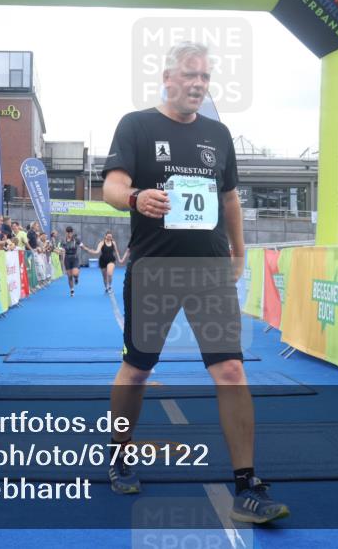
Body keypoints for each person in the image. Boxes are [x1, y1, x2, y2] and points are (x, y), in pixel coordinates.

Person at [100, 41, 287, 523]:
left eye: (205, 77)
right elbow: (111, 187)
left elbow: (228, 201)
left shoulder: (218, 135)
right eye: (190, 75)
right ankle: (120, 454)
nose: (199, 85)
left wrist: (239, 252)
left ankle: (247, 483)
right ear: (168, 76)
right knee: (138, 370)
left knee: (230, 371)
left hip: (208, 270)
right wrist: (136, 197)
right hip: (153, 269)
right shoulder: (136, 125)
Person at [60, 226, 82, 297]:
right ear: (66, 233)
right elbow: (62, 251)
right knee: (69, 276)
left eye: (71, 232)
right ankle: (72, 290)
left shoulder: (76, 239)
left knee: (75, 274)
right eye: (68, 232)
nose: (69, 234)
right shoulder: (63, 240)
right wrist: (62, 261)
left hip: (74, 258)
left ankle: (76, 278)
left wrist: (89, 250)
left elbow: (82, 245)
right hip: (67, 259)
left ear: (72, 232)